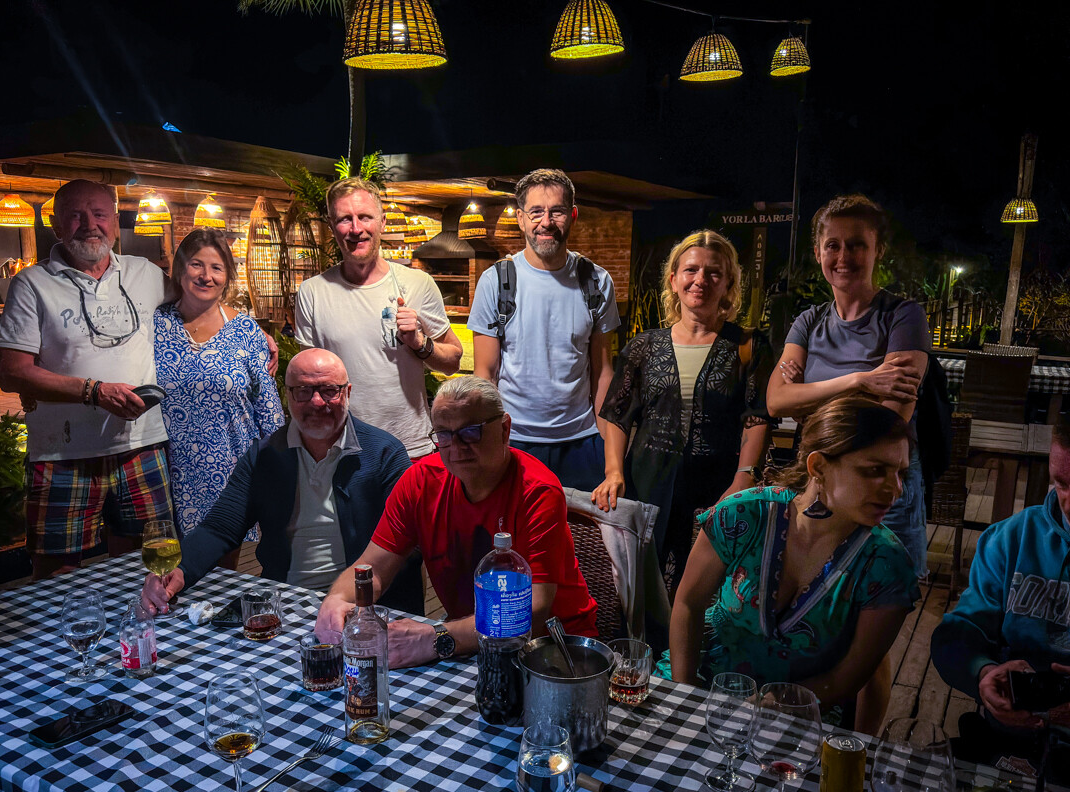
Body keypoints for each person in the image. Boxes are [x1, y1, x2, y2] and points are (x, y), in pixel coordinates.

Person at [664, 395, 919, 735]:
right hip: (701, 683)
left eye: (901, 474)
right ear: (818, 466)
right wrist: (687, 699)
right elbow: (688, 604)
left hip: (799, 716)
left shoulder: (886, 566)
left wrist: (771, 708)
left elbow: (848, 678)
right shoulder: (743, 515)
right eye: (874, 471)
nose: (895, 489)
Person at [314, 375, 598, 668]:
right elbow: (373, 568)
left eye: (471, 432)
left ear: (504, 429)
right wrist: (337, 599)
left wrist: (436, 637)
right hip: (469, 642)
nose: (456, 447)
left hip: (554, 648)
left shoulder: (538, 491)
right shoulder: (419, 481)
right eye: (444, 435)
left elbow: (534, 610)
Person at [931, 392, 1070, 790]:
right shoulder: (1013, 538)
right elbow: (957, 635)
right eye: (1061, 483)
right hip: (1007, 744)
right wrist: (983, 672)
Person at [141, 349, 422, 616]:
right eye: (303, 391)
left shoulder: (384, 453)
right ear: (286, 395)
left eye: (329, 390)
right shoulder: (263, 456)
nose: (316, 402)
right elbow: (220, 528)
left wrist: (354, 599)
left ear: (347, 392)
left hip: (365, 604)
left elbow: (410, 540)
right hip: (285, 602)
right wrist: (180, 570)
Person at [0, 179, 173, 580]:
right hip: (63, 454)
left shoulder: (145, 273)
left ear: (115, 220)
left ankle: (138, 625)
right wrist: (93, 391)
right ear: (56, 225)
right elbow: (11, 371)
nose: (90, 224)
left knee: (143, 568)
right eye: (76, 215)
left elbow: (200, 306)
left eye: (99, 214)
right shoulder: (32, 284)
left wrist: (252, 332)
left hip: (142, 446)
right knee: (56, 575)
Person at [594, 230, 774, 596]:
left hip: (717, 487)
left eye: (713, 272)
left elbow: (756, 416)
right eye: (691, 270)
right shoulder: (644, 346)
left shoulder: (748, 345)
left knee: (705, 591)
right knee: (642, 589)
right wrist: (614, 471)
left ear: (728, 283)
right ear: (674, 279)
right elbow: (617, 415)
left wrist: (743, 478)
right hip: (647, 484)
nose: (700, 280)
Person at [766, 194, 930, 579]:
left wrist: (811, 401)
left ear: (878, 250)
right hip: (818, 477)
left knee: (883, 589)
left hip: (880, 479)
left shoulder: (903, 316)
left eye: (857, 245)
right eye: (833, 245)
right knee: (813, 587)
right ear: (818, 252)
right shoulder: (808, 321)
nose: (844, 256)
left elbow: (891, 418)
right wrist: (861, 381)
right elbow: (776, 400)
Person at [468, 168, 620, 491]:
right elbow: (485, 375)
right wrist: (489, 443)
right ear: (521, 218)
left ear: (573, 216)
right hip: (514, 441)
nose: (546, 222)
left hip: (581, 443)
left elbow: (603, 373)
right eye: (536, 212)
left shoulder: (596, 281)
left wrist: (610, 459)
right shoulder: (496, 281)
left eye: (557, 211)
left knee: (581, 526)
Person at [294, 177, 463, 459]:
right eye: (345, 219)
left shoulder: (417, 284)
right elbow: (308, 380)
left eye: (365, 217)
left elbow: (453, 360)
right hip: (341, 448)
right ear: (332, 226)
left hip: (409, 448)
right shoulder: (312, 292)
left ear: (382, 222)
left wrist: (420, 343)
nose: (356, 228)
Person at [153, 228, 284, 564]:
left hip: (229, 472)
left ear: (228, 276)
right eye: (197, 264)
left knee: (219, 574)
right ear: (180, 269)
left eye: (216, 268)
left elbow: (269, 409)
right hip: (164, 471)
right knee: (164, 573)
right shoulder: (154, 325)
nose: (206, 276)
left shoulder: (246, 331)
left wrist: (280, 469)